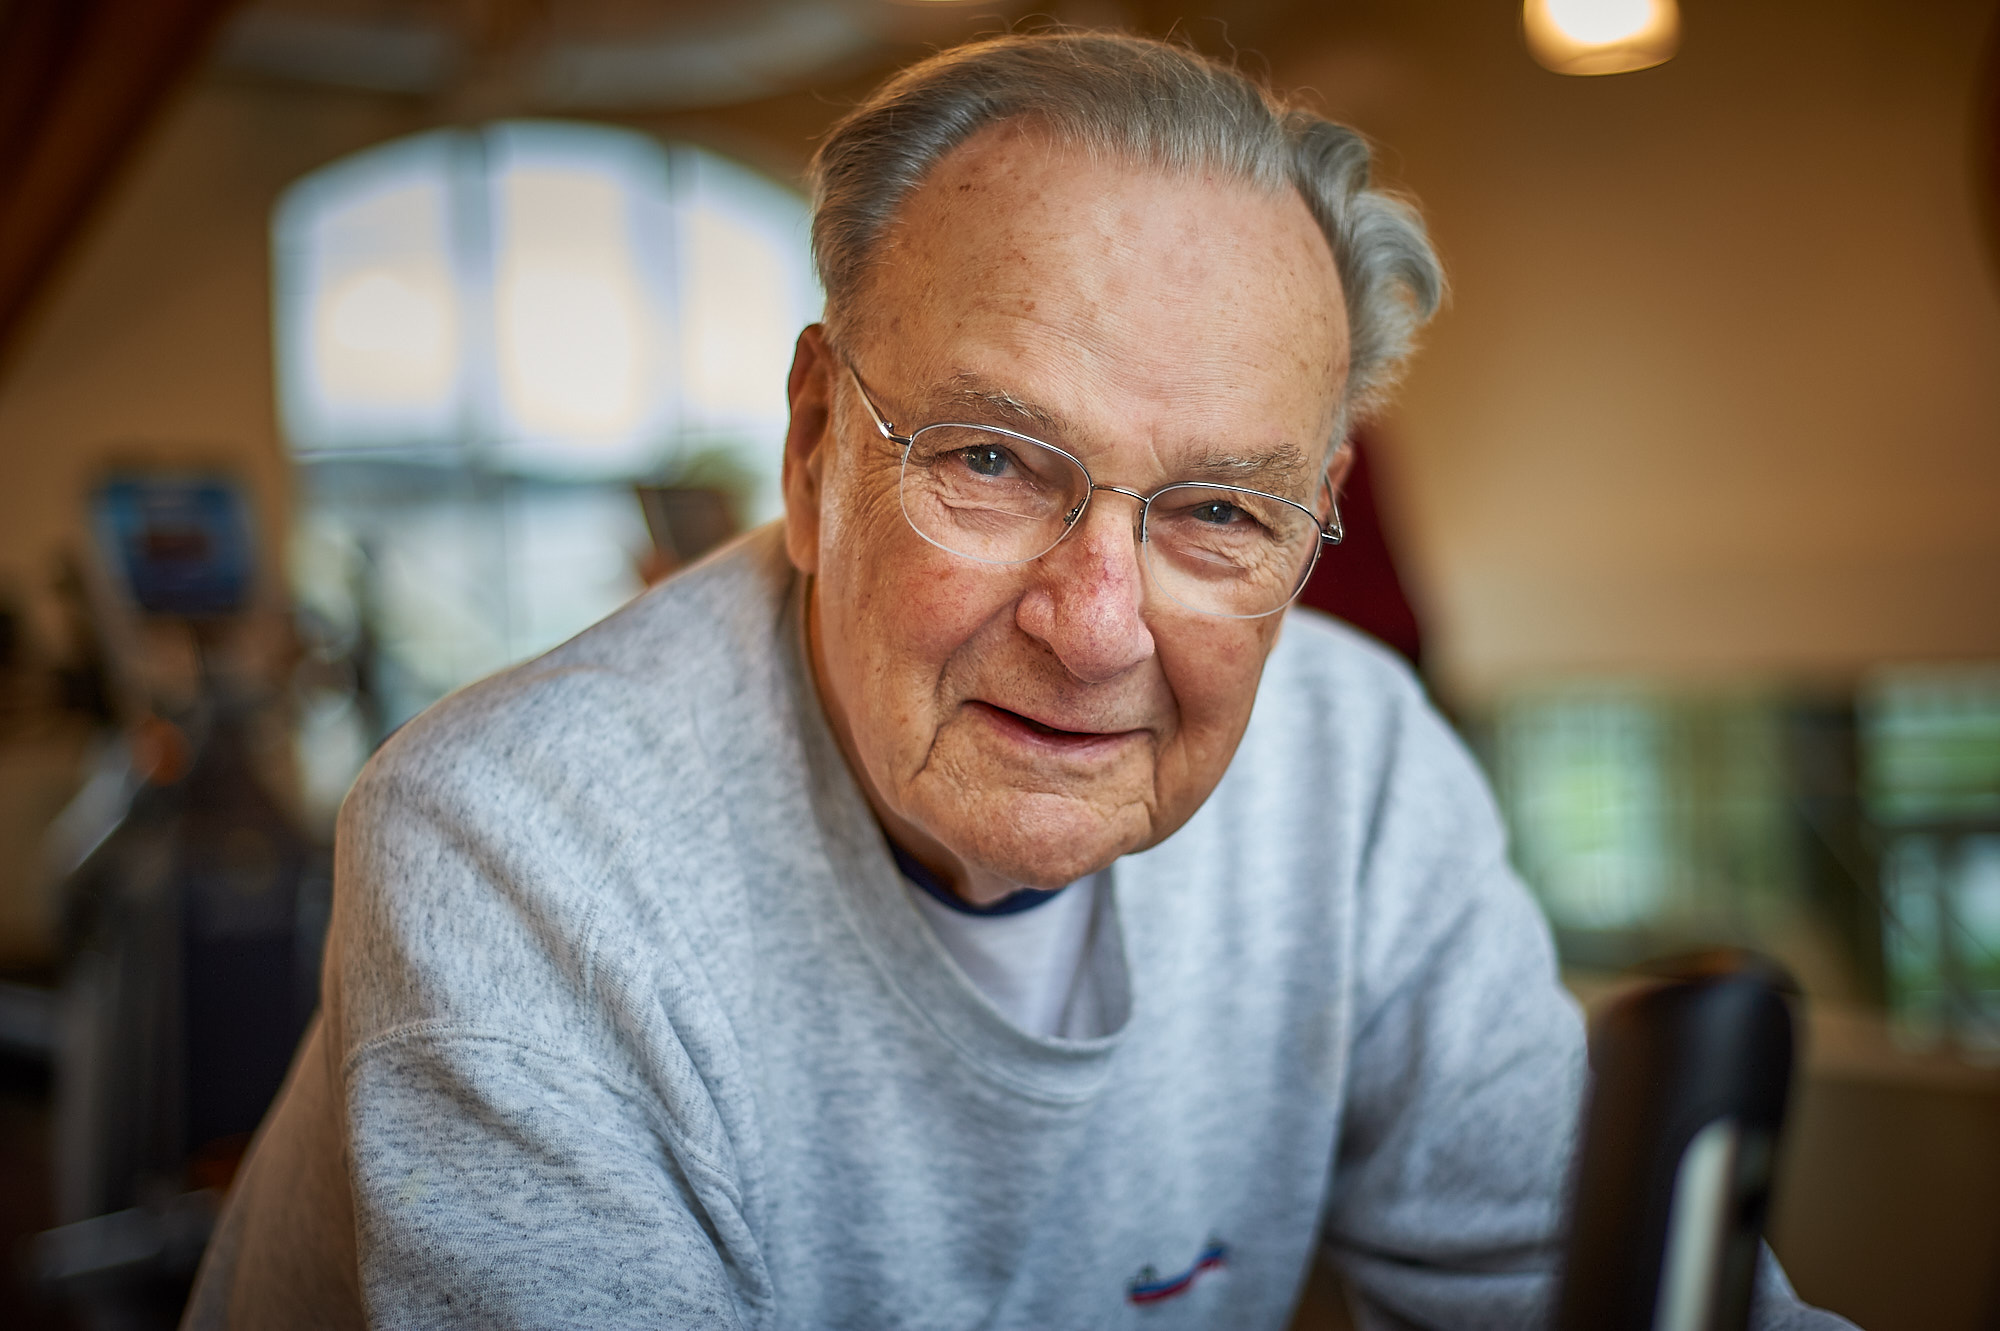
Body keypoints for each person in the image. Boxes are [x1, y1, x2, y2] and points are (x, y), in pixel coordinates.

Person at [186, 32, 1854, 1330]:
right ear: (818, 442)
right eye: (992, 460)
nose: (1097, 624)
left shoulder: (1356, 770)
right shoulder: (516, 847)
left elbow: (1569, 1278)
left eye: (1220, 510)